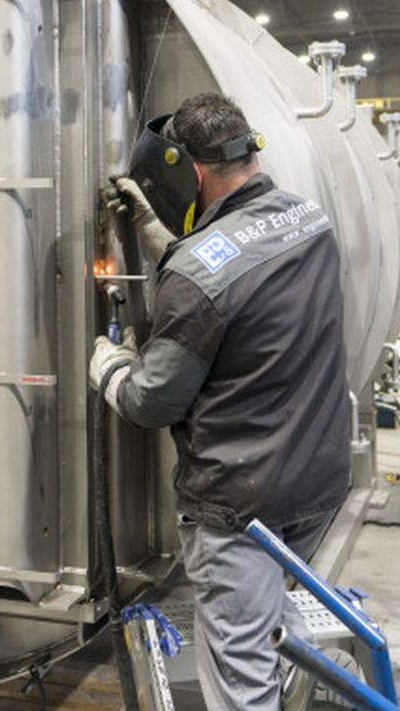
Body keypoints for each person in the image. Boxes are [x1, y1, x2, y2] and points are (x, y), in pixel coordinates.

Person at [89, 93, 351, 709]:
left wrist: (109, 367)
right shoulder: (307, 218)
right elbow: (238, 279)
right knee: (270, 612)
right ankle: (300, 680)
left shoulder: (196, 277)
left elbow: (152, 402)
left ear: (192, 172)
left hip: (240, 502)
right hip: (316, 480)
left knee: (240, 681)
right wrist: (161, 239)